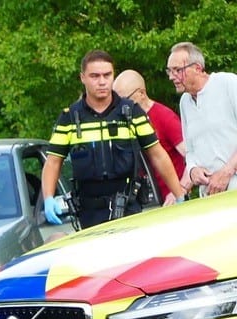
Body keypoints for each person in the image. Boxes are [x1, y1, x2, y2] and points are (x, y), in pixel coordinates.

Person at [40, 50, 183, 230]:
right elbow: (53, 161)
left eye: (107, 75)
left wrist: (179, 196)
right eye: (95, 76)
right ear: (82, 77)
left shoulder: (131, 112)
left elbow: (157, 154)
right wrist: (48, 198)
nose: (102, 81)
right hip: (89, 212)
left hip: (128, 207)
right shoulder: (70, 118)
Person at [168, 42, 237, 197]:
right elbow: (190, 150)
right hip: (208, 193)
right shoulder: (185, 101)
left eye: (178, 70)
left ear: (197, 68)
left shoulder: (228, 83)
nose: (172, 77)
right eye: (170, 71)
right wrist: (193, 170)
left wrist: (227, 171)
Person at [113, 69, 186, 202]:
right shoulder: (124, 122)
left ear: (141, 93)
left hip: (172, 200)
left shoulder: (164, 117)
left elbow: (190, 156)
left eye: (125, 99)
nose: (121, 106)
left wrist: (179, 190)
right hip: (145, 200)